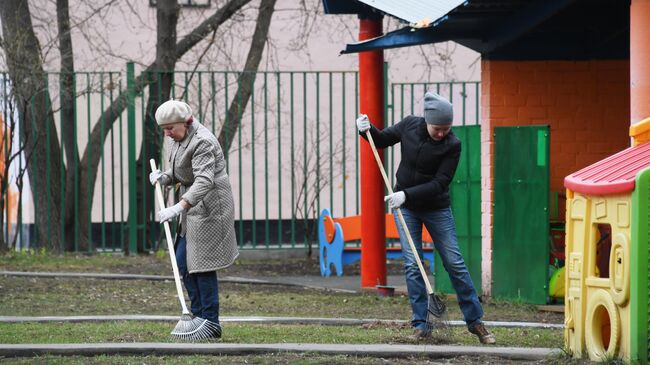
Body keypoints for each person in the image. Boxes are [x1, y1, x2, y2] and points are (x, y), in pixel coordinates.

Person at [356, 92, 496, 344]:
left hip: (435, 207)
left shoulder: (452, 145)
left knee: (454, 262)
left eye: (446, 128)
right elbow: (381, 139)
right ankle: (421, 324)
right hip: (407, 209)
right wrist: (365, 130)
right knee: (413, 264)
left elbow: (440, 183)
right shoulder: (410, 125)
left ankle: (475, 322)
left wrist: (405, 195)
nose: (442, 133)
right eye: (437, 128)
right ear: (427, 120)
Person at [149, 99, 239, 339]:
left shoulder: (202, 141)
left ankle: (210, 321)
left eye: (170, 128)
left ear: (184, 122)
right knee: (183, 262)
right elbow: (183, 171)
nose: (167, 134)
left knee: (201, 265)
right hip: (192, 208)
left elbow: (204, 180)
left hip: (210, 207)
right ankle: (197, 315)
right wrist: (164, 177)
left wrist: (177, 207)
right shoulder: (180, 138)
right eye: (164, 129)